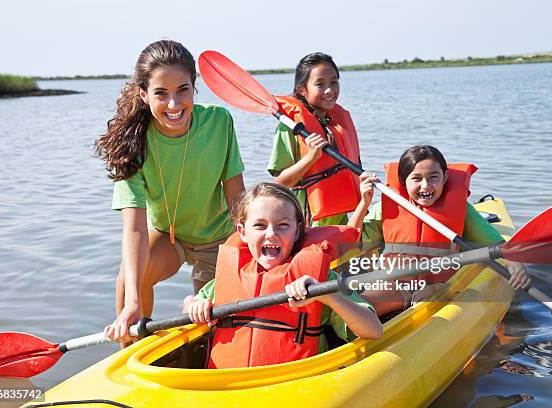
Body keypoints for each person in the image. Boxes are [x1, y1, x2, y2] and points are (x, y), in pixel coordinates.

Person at [97, 40, 245, 345]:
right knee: (129, 279)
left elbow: (237, 198)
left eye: (183, 90)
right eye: (161, 94)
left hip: (218, 238)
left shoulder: (219, 122)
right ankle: (129, 351)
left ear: (194, 87)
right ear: (143, 93)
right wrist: (132, 303)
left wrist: (245, 251)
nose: (174, 105)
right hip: (169, 236)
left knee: (212, 324)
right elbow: (135, 229)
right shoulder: (132, 144)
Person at [184, 182, 382, 369]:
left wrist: (325, 295)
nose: (271, 234)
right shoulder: (225, 280)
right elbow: (190, 305)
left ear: (297, 232)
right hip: (229, 382)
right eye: (260, 225)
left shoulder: (320, 279)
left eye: (282, 225)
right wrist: (194, 304)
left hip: (293, 382)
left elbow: (373, 330)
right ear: (242, 232)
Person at [348, 145, 531, 316]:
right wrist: (364, 203)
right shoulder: (385, 208)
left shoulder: (462, 211)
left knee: (424, 304)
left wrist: (517, 266)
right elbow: (352, 242)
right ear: (404, 181)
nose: (426, 186)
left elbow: (500, 246)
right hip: (395, 283)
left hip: (440, 285)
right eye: (417, 178)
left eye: (433, 177)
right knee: (358, 308)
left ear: (444, 177)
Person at [267, 52, 361, 226]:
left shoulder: (336, 123)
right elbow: (279, 183)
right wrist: (311, 158)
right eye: (320, 84)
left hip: (339, 219)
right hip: (306, 222)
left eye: (334, 82)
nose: (329, 90)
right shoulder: (289, 127)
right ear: (302, 90)